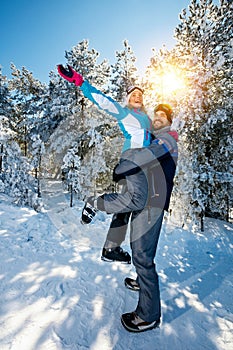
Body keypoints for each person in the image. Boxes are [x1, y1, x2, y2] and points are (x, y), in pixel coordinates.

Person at [81, 104, 178, 332]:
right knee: (138, 248)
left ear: (169, 121)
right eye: (156, 116)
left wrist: (127, 164)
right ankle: (141, 283)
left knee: (143, 256)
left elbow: (150, 154)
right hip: (146, 199)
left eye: (162, 116)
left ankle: (148, 315)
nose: (157, 119)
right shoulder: (155, 138)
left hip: (154, 201)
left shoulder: (169, 137)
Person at [57, 64, 153, 264]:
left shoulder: (145, 119)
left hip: (140, 164)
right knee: (138, 201)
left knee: (125, 206)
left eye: (140, 95)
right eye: (133, 94)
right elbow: (102, 100)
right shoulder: (125, 113)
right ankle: (95, 202)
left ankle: (111, 249)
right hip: (132, 160)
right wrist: (79, 81)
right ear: (127, 99)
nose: (138, 97)